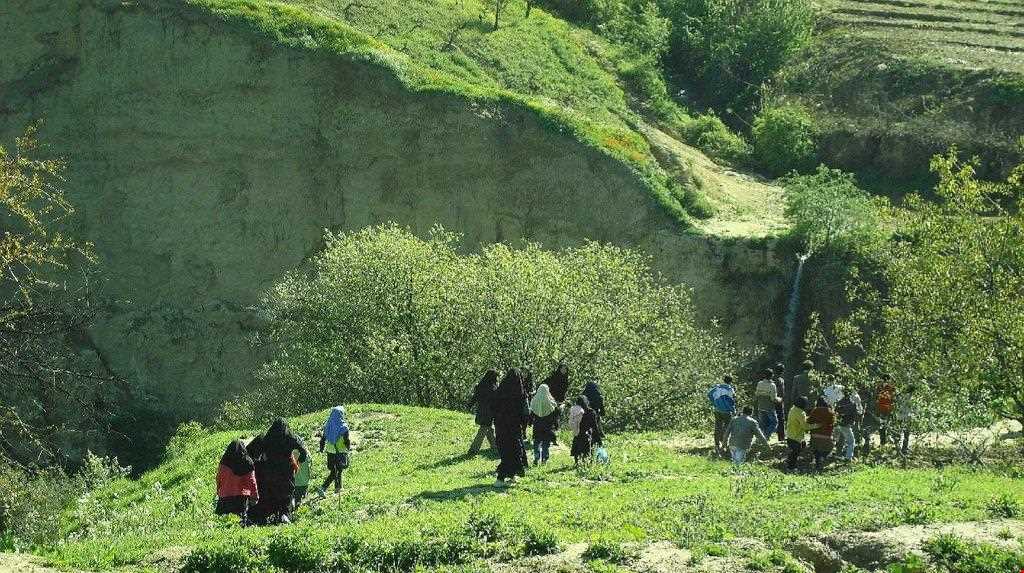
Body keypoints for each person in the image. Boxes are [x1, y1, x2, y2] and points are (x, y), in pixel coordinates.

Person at [247, 418, 308, 524]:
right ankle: (284, 515)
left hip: (268, 471)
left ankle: (265, 516)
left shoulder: (266, 437)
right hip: (286, 472)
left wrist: (257, 464)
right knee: (287, 495)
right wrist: (299, 460)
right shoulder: (290, 437)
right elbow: (303, 451)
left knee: (269, 494)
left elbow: (249, 451)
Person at [493, 368, 528, 485]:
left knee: (507, 453)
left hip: (501, 428)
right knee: (514, 453)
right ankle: (500, 479)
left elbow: (493, 407)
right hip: (513, 428)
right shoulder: (519, 393)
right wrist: (524, 426)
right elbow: (523, 412)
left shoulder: (500, 391)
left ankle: (512, 476)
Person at [215, 439, 258, 524]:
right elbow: (252, 481)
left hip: (225, 498)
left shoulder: (223, 463)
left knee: (222, 522)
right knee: (239, 521)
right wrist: (255, 496)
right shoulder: (248, 463)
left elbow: (218, 478)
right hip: (240, 500)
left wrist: (219, 491)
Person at [317, 406, 351, 496]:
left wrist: (321, 449)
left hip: (330, 452)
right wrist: (348, 448)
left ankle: (338, 488)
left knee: (336, 470)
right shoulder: (343, 427)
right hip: (340, 451)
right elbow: (346, 440)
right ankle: (323, 487)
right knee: (336, 471)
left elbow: (323, 439)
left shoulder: (328, 425)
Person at [468, 370, 498, 455]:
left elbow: (475, 397)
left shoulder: (481, 385)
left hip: (481, 411)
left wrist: (469, 405)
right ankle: (473, 450)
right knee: (483, 430)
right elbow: (496, 400)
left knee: (489, 429)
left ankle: (495, 447)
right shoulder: (492, 387)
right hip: (488, 412)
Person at [530, 383, 559, 465]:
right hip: (547, 426)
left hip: (537, 426)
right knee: (546, 443)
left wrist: (529, 422)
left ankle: (536, 457)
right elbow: (555, 416)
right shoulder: (551, 402)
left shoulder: (534, 401)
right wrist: (556, 426)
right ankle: (544, 459)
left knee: (537, 442)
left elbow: (531, 414)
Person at [708, 376, 737, 456]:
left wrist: (714, 403)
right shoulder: (729, 389)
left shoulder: (717, 387)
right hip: (726, 411)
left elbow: (709, 394)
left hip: (717, 410)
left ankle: (717, 444)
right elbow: (731, 401)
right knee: (727, 428)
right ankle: (724, 444)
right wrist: (733, 410)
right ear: (730, 382)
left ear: (723, 380)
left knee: (717, 427)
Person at [570, 395, 603, 466]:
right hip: (588, 434)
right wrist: (598, 439)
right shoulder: (591, 412)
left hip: (578, 433)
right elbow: (595, 426)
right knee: (588, 450)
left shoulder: (575, 412)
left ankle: (577, 462)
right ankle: (587, 463)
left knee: (577, 448)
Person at [807, 398, 836, 471]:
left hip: (814, 436)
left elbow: (809, 421)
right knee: (829, 448)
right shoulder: (830, 412)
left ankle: (818, 463)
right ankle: (822, 458)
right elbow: (832, 423)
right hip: (826, 437)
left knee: (816, 450)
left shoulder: (814, 411)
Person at [754, 369, 781, 440]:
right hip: (769, 407)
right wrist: (779, 399)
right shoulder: (772, 385)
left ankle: (761, 439)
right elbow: (773, 399)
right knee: (774, 423)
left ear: (764, 375)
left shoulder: (759, 383)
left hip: (761, 406)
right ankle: (765, 436)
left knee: (763, 424)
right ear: (772, 376)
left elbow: (756, 394)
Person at [785, 397, 810, 471]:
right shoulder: (801, 413)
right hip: (796, 437)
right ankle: (791, 468)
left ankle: (789, 463)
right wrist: (817, 425)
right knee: (795, 454)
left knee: (794, 451)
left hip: (790, 435)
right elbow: (805, 426)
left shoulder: (793, 409)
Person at [835, 393, 859, 462]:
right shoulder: (852, 405)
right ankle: (848, 458)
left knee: (842, 439)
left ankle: (838, 454)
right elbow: (855, 416)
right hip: (845, 425)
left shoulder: (841, 403)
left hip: (840, 424)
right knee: (851, 442)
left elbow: (837, 411)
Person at [894, 385, 916, 454]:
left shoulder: (903, 397)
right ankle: (904, 449)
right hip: (907, 417)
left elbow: (898, 403)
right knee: (906, 434)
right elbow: (915, 409)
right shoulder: (912, 399)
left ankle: (899, 448)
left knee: (899, 432)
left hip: (900, 417)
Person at [876, 377, 896, 446]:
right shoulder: (881, 388)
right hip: (883, 410)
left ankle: (885, 441)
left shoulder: (889, 388)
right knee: (882, 426)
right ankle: (883, 442)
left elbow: (893, 398)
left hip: (886, 410)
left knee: (884, 426)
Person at [292, 437, 311, 507]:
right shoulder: (306, 452)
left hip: (296, 482)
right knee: (300, 498)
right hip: (305, 481)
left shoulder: (293, 453)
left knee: (295, 499)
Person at [774, 363, 788, 441]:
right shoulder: (780, 380)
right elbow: (781, 392)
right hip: (779, 401)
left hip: (773, 401)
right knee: (781, 419)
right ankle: (781, 436)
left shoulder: (773, 379)